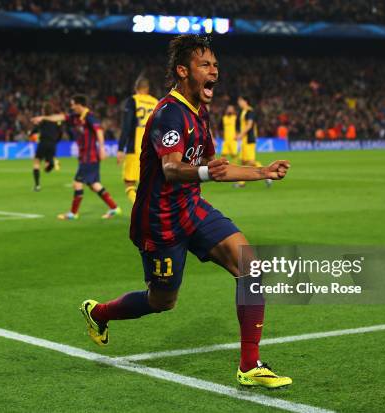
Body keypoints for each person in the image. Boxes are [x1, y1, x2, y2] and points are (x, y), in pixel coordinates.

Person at [79, 35, 292, 388]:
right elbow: (172, 169)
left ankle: (250, 365)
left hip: (191, 208)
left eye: (216, 65)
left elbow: (212, 164)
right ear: (182, 71)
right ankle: (98, 312)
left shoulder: (199, 113)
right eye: (205, 65)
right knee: (163, 301)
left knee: (250, 266)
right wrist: (209, 172)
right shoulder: (169, 113)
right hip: (159, 221)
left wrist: (262, 172)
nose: (214, 72)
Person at [31, 95, 121, 220]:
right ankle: (114, 208)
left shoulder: (89, 117)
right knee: (94, 184)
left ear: (79, 105)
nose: (71, 107)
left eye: (73, 104)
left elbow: (99, 131)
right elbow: (60, 117)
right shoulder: (75, 117)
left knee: (77, 183)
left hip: (90, 156)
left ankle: (73, 213)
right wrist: (43, 117)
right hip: (85, 156)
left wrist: (102, 148)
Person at [116, 77, 158, 204]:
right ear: (147, 89)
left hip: (136, 147)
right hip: (153, 148)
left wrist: (120, 148)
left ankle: (142, 211)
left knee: (129, 182)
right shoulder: (156, 102)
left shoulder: (133, 100)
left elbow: (127, 126)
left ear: (136, 88)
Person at [235, 95, 271, 187]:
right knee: (243, 161)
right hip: (244, 140)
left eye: (240, 101)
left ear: (245, 101)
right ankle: (241, 182)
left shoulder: (250, 111)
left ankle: (267, 175)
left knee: (251, 162)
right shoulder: (243, 112)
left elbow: (249, 125)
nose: (239, 103)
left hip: (249, 139)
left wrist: (241, 135)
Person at [31, 102, 62, 192]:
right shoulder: (56, 120)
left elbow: (35, 130)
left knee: (36, 162)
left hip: (43, 142)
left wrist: (31, 133)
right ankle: (50, 162)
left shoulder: (43, 119)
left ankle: (37, 186)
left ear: (44, 110)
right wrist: (56, 141)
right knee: (48, 163)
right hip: (52, 143)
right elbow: (60, 132)